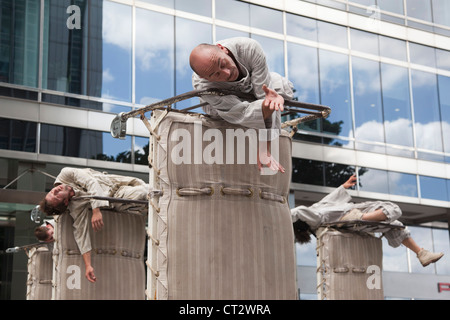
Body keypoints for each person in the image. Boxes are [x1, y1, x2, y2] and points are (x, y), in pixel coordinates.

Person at [189, 37, 295, 173]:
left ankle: (269, 98)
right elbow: (243, 113)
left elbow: (265, 97)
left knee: (283, 87)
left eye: (223, 64)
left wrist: (264, 148)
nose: (226, 73)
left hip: (252, 87)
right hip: (225, 104)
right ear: (206, 78)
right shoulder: (203, 86)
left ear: (223, 49)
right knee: (234, 114)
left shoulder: (249, 49)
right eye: (216, 74)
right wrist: (264, 106)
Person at [291, 174, 444, 267]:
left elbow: (326, 201)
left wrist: (343, 187)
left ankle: (421, 254)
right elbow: (297, 212)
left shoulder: (315, 213)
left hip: (354, 219)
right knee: (394, 209)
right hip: (353, 217)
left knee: (395, 226)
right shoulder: (314, 218)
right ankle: (361, 218)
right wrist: (279, 215)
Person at [38, 167, 148, 283]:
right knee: (142, 194)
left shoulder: (65, 174)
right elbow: (81, 235)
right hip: (118, 198)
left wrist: (96, 211)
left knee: (146, 190)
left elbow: (91, 182)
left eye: (51, 191)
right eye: (56, 195)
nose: (55, 190)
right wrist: (88, 266)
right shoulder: (75, 207)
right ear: (65, 202)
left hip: (116, 184)